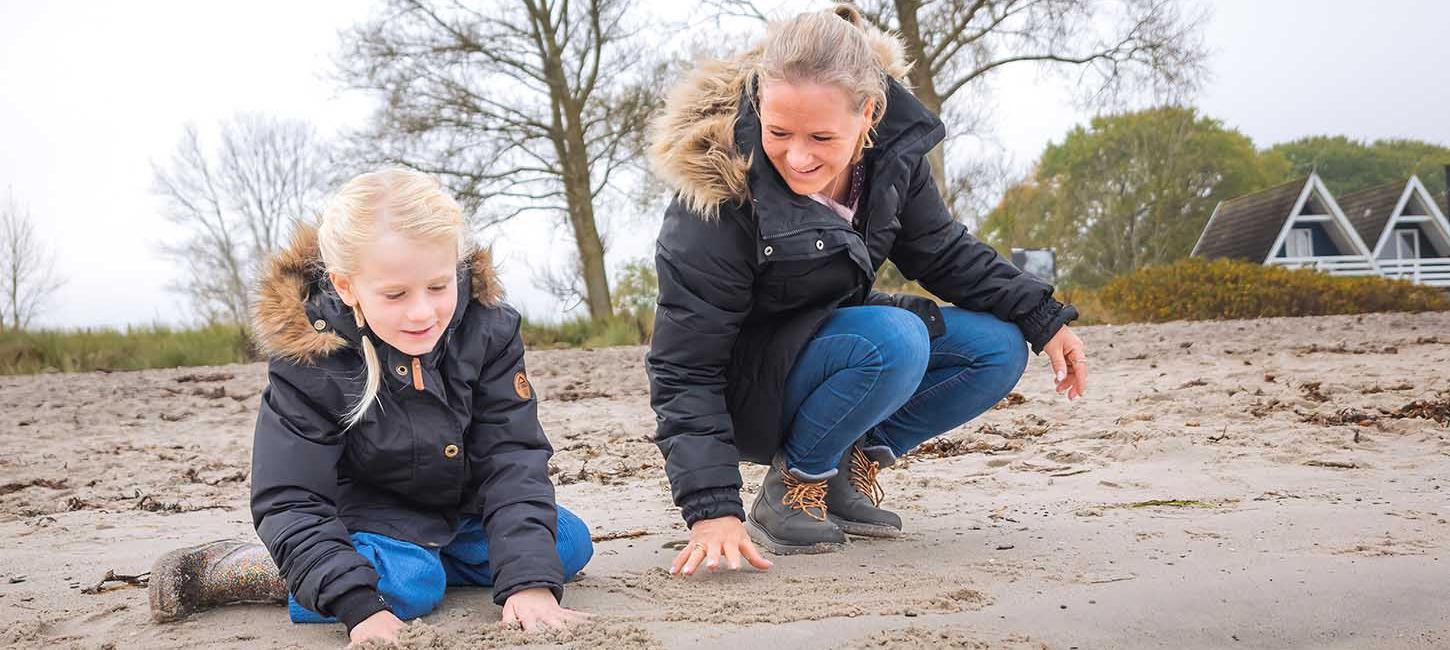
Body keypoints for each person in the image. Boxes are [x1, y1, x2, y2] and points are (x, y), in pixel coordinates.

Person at [645, 4, 1089, 572]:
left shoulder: (892, 157)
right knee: (895, 338)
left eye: (822, 136)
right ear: (759, 102)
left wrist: (1042, 316)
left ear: (870, 114)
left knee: (997, 348)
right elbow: (685, 368)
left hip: (830, 350)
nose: (798, 156)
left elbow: (943, 250)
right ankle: (791, 488)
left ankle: (836, 469)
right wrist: (712, 510)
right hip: (745, 393)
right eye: (779, 132)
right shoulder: (717, 194)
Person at [146, 169, 593, 645]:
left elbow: (512, 456)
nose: (422, 312)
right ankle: (254, 569)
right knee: (409, 586)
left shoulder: (490, 330)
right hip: (367, 516)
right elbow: (290, 497)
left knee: (565, 543)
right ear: (345, 286)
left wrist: (527, 582)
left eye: (439, 287)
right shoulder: (310, 357)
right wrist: (359, 605)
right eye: (396, 295)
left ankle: (414, 564)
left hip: (458, 509)